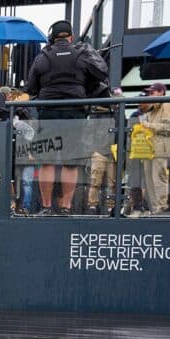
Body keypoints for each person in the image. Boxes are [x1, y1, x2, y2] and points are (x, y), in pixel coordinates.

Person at [26, 20, 109, 216]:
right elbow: (99, 75)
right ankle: (66, 207)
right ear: (70, 37)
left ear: (52, 38)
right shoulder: (81, 54)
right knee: (70, 162)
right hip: (74, 112)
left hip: (48, 112)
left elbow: (31, 87)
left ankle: (46, 207)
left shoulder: (43, 56)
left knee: (46, 162)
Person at [138, 82, 170, 215]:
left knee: (158, 179)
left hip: (161, 150)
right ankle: (155, 209)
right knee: (149, 181)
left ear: (161, 92)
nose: (150, 94)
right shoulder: (151, 107)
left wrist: (149, 125)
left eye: (152, 92)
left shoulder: (166, 105)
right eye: (149, 92)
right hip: (149, 150)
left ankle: (161, 208)